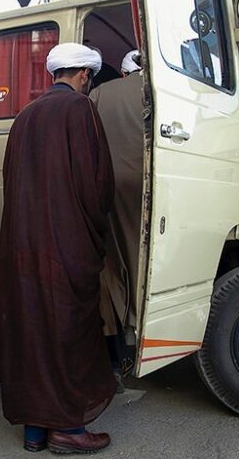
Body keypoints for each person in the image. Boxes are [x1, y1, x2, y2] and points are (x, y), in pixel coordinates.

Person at [0, 43, 116, 454]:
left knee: (33, 331)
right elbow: (96, 182)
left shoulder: (24, 116)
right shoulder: (79, 109)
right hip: (65, 244)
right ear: (83, 75)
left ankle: (34, 432)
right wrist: (96, 234)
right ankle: (67, 428)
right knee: (68, 332)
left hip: (21, 246)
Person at [89, 49, 149, 391]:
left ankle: (122, 348)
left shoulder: (99, 94)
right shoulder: (161, 89)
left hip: (111, 192)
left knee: (113, 269)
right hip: (155, 188)